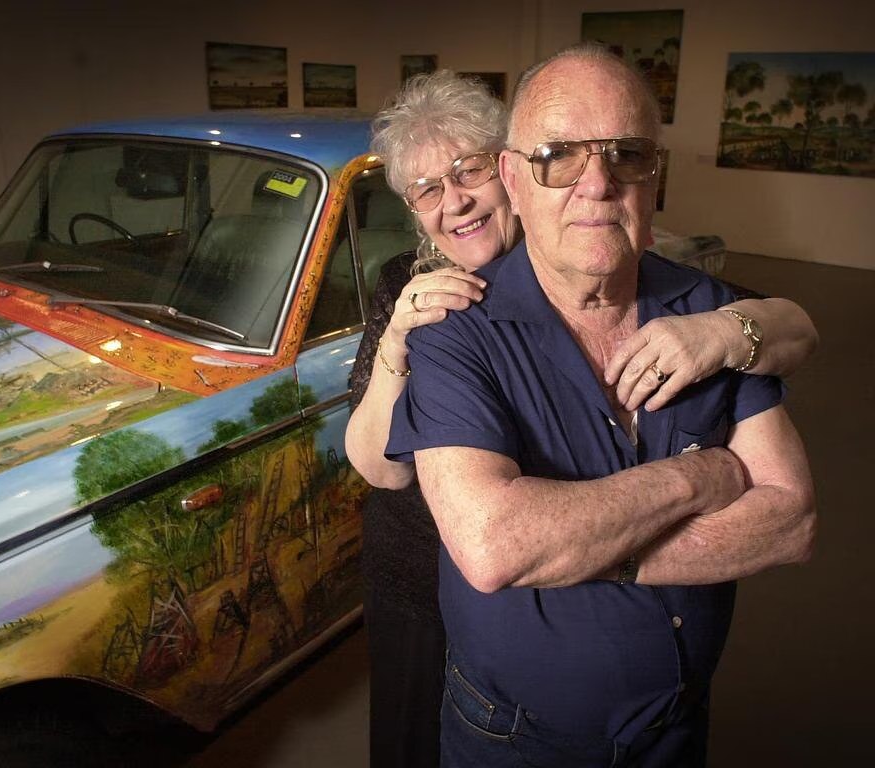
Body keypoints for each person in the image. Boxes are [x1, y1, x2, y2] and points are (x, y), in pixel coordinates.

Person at [348, 68, 818, 768]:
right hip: (426, 561)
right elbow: (391, 474)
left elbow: (793, 338)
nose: (456, 201)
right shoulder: (422, 302)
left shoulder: (628, 257)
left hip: (655, 702)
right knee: (414, 727)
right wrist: (699, 481)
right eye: (427, 190)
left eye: (466, 171)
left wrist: (731, 330)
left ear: (505, 174)